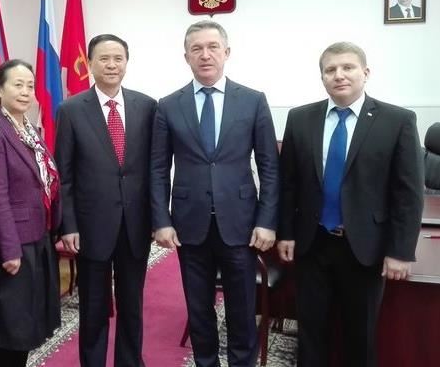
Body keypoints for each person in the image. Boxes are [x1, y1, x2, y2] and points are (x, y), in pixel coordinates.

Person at [277, 42, 424, 367]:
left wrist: (400, 250)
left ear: (365, 73)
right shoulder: (300, 118)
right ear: (322, 77)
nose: (339, 75)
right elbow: (289, 183)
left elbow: (408, 193)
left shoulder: (397, 120)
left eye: (347, 67)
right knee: (311, 333)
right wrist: (285, 232)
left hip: (365, 249)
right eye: (330, 70)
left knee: (361, 336)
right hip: (312, 244)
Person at [150, 20, 279, 367]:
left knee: (242, 309)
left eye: (212, 47)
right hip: (189, 225)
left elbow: (269, 166)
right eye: (196, 49)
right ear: (186, 57)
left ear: (227, 52)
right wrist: (161, 220)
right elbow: (158, 168)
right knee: (198, 310)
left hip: (240, 224)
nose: (205, 55)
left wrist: (267, 221)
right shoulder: (169, 105)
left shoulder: (252, 101)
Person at [55, 34, 157, 367]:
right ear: (89, 64)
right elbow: (64, 175)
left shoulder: (147, 106)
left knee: (132, 307)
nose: (111, 65)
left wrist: (157, 219)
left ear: (126, 62)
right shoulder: (71, 110)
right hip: (90, 227)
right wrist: (68, 225)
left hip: (135, 225)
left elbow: (155, 170)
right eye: (103, 58)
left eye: (118, 58)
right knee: (93, 308)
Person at [0, 59, 61, 367]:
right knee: (9, 327)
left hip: (38, 237)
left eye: (30, 86)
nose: (26, 92)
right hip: (14, 246)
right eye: (18, 85)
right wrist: (10, 249)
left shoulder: (29, 130)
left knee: (26, 323)